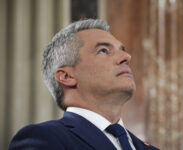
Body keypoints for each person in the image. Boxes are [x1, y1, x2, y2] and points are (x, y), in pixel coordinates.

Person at [9, 19, 159, 150]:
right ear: (66, 76)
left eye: (122, 51)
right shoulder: (44, 138)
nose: (126, 57)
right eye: (103, 51)